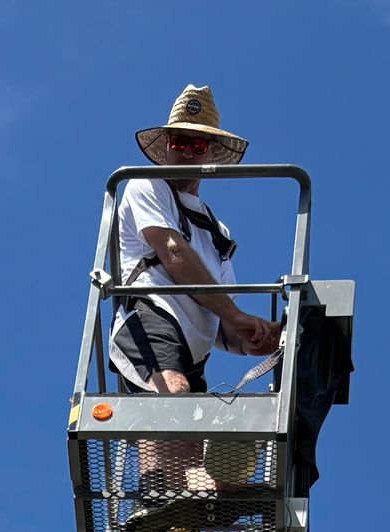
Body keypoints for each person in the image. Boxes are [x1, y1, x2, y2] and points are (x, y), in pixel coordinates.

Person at [110, 85, 282, 406]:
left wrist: (257, 339)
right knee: (171, 395)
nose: (187, 152)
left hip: (193, 356)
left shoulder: (217, 231)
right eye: (180, 142)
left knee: (189, 442)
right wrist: (236, 316)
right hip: (151, 321)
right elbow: (173, 252)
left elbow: (224, 322)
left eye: (198, 143)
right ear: (167, 147)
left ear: (210, 152)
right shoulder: (145, 184)